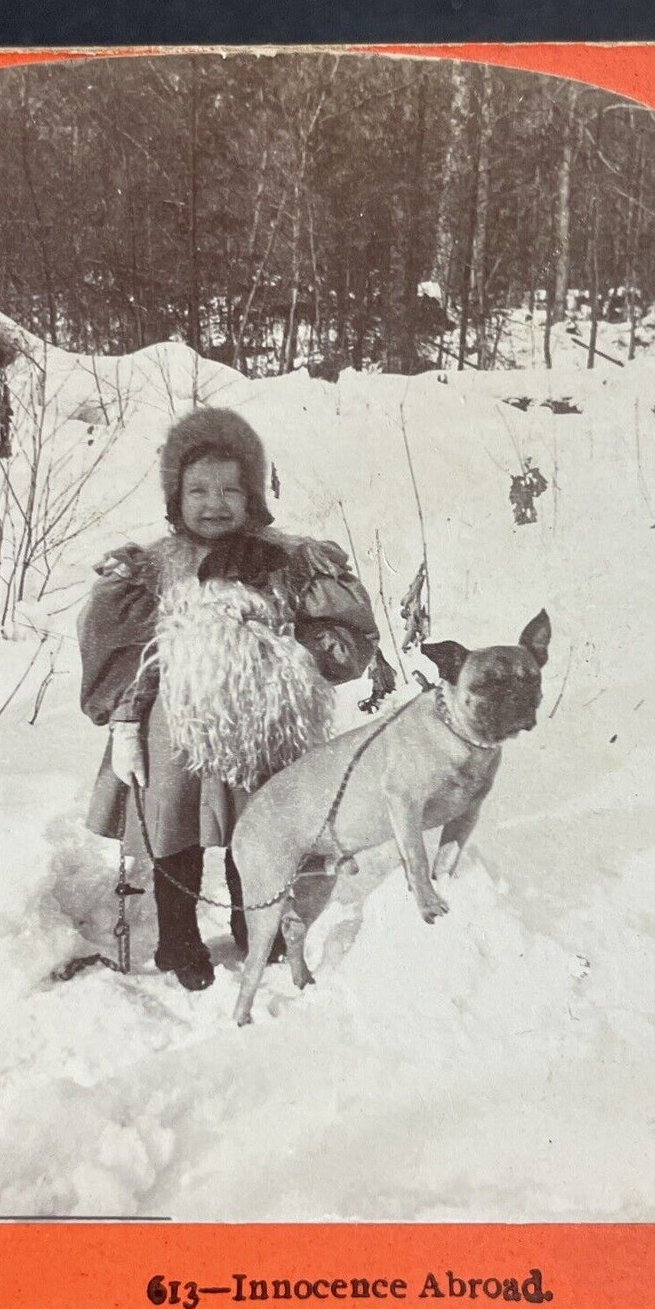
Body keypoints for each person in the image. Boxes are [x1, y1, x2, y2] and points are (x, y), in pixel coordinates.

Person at [78, 406, 379, 991]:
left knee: (260, 829)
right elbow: (133, 654)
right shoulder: (154, 568)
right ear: (175, 496)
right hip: (177, 731)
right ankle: (177, 940)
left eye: (229, 490)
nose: (213, 504)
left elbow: (340, 640)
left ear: (253, 496)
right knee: (174, 836)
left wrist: (294, 647)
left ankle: (254, 926)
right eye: (197, 491)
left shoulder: (286, 560)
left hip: (261, 727)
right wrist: (124, 728)